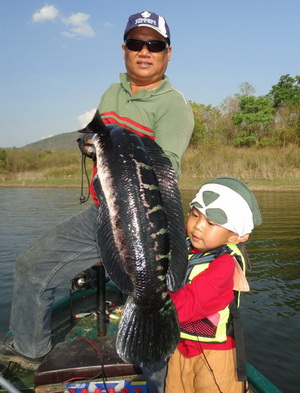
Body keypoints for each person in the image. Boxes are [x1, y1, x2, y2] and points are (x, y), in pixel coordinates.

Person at [0, 11, 194, 371]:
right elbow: (99, 137)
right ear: (124, 49)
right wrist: (94, 144)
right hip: (99, 212)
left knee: (146, 295)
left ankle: (154, 368)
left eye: (154, 44)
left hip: (143, 227)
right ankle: (30, 347)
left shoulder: (174, 107)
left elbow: (165, 173)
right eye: (136, 43)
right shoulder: (111, 92)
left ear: (168, 53)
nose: (145, 51)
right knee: (30, 265)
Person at [164, 177, 262, 393]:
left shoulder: (224, 266)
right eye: (195, 214)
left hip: (214, 355)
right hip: (180, 348)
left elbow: (188, 306)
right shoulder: (184, 247)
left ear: (235, 236)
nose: (197, 226)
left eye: (211, 223)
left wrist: (151, 294)